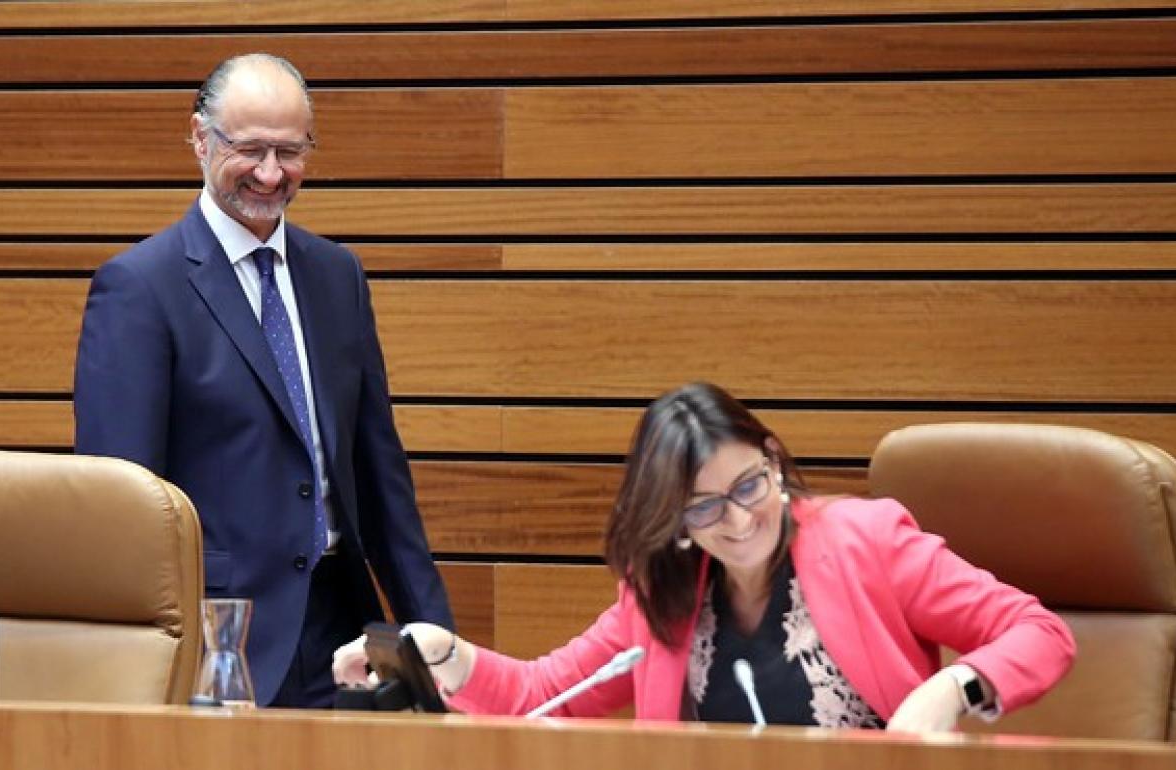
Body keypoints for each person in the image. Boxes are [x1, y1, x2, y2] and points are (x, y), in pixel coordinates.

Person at [334, 382, 1075, 732]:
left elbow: (1040, 633)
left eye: (749, 485)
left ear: (774, 460)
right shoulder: (665, 593)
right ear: (677, 520)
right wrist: (442, 653)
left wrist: (952, 690)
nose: (741, 517)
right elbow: (541, 694)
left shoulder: (869, 541)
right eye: (705, 506)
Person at [74, 53, 453, 708]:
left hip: (344, 637)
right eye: (250, 150)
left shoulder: (338, 277)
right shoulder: (140, 288)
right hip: (218, 649)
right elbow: (122, 512)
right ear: (199, 138)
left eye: (290, 151)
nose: (271, 173)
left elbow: (380, 477)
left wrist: (439, 639)